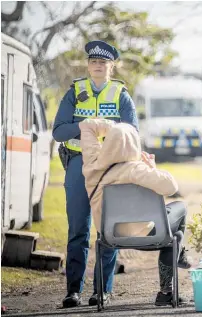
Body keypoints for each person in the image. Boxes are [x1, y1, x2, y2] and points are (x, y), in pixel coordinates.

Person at [52, 40, 139, 308]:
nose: (98, 66)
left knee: (108, 228)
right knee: (78, 229)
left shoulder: (121, 95)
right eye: (93, 62)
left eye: (103, 62)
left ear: (111, 66)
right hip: (79, 164)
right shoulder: (74, 92)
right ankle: (73, 291)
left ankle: (103, 290)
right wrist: (87, 126)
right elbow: (58, 131)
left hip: (111, 168)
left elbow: (132, 133)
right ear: (88, 65)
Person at [79, 118, 191, 306]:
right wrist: (152, 168)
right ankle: (166, 289)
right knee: (178, 224)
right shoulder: (137, 169)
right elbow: (171, 187)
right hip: (146, 235)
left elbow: (86, 125)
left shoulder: (92, 165)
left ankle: (177, 256)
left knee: (175, 236)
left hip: (109, 236)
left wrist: (114, 129)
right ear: (134, 144)